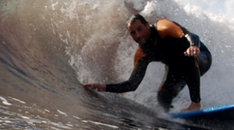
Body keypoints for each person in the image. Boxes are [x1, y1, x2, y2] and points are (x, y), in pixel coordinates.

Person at [83, 14, 212, 112]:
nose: (138, 35)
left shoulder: (163, 27)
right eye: (133, 32)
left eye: (140, 29)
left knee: (186, 56)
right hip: (178, 68)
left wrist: (193, 46)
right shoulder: (142, 54)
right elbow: (132, 84)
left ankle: (195, 103)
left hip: (200, 57)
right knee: (163, 96)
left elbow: (191, 35)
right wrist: (104, 87)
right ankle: (174, 114)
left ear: (147, 25)